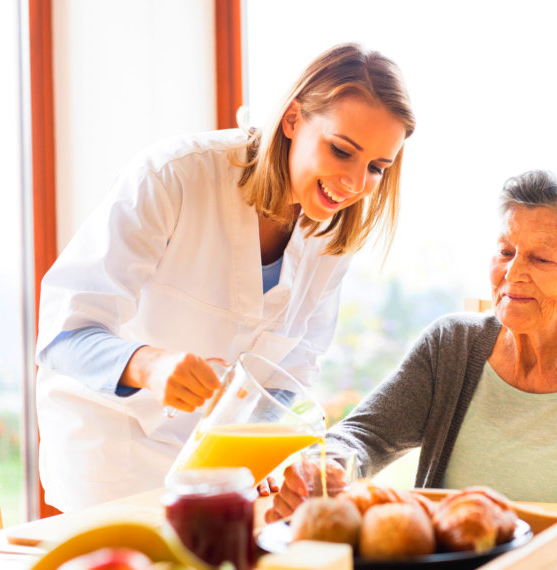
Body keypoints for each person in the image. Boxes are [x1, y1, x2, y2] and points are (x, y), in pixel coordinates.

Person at [34, 43, 415, 512]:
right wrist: (148, 365)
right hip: (111, 450)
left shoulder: (332, 231)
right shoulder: (173, 176)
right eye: (341, 151)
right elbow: (62, 332)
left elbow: (292, 367)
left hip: (216, 466)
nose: (355, 185)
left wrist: (275, 451)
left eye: (377, 168)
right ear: (293, 119)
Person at [269, 170, 557, 521]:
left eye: (541, 259)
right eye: (506, 251)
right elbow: (365, 434)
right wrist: (326, 467)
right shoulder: (450, 348)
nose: (512, 274)